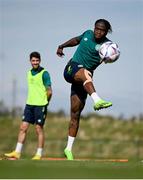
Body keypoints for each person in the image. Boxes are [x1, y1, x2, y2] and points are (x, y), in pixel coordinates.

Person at [56, 19, 113, 160]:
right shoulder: (87, 34)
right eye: (97, 28)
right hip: (72, 69)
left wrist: (110, 57)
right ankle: (97, 100)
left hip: (84, 81)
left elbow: (111, 55)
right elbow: (76, 40)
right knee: (84, 72)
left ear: (106, 32)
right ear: (94, 28)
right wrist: (62, 46)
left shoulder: (107, 46)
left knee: (75, 114)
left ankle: (68, 149)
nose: (98, 32)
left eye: (102, 30)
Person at [5, 51, 52, 160]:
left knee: (38, 129)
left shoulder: (44, 73)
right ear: (30, 61)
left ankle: (38, 154)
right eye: (33, 60)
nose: (35, 62)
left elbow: (49, 91)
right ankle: (17, 152)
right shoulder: (28, 73)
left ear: (40, 61)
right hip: (29, 105)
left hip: (40, 105)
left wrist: (46, 102)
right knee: (23, 127)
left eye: (37, 60)